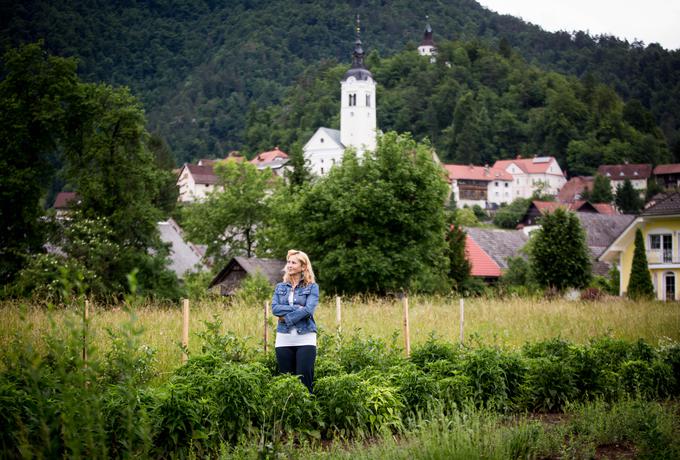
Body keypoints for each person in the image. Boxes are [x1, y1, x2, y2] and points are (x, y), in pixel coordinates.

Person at [271, 249, 319, 393]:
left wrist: (286, 318)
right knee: (287, 382)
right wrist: (297, 308)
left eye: (293, 262)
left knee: (305, 381)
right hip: (283, 338)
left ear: (303, 267)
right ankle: (289, 413)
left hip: (305, 338)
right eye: (288, 262)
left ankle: (308, 414)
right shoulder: (280, 287)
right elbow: (275, 309)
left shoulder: (312, 287)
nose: (289, 265)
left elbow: (309, 310)